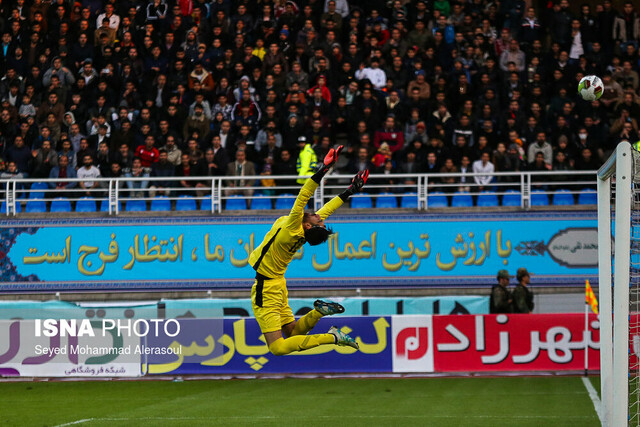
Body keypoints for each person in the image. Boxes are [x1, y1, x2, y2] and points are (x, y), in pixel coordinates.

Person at [249, 145, 369, 355]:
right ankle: (317, 313)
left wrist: (324, 168)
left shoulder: (292, 226)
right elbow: (327, 210)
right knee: (293, 334)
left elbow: (304, 194)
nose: (320, 216)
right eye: (321, 221)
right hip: (278, 285)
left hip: (266, 288)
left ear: (307, 226)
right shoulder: (302, 233)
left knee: (277, 348)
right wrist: (349, 191)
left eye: (319, 221)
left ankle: (332, 337)